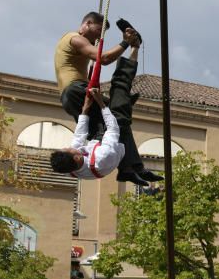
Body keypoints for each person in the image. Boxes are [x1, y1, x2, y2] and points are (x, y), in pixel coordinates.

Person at [49, 13, 159, 186]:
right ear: (87, 23)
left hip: (71, 97)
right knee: (118, 113)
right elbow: (105, 58)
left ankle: (129, 169)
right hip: (75, 91)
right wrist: (126, 43)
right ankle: (132, 167)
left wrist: (87, 109)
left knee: (117, 120)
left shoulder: (78, 162)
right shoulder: (75, 39)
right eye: (98, 31)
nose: (99, 37)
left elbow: (79, 135)